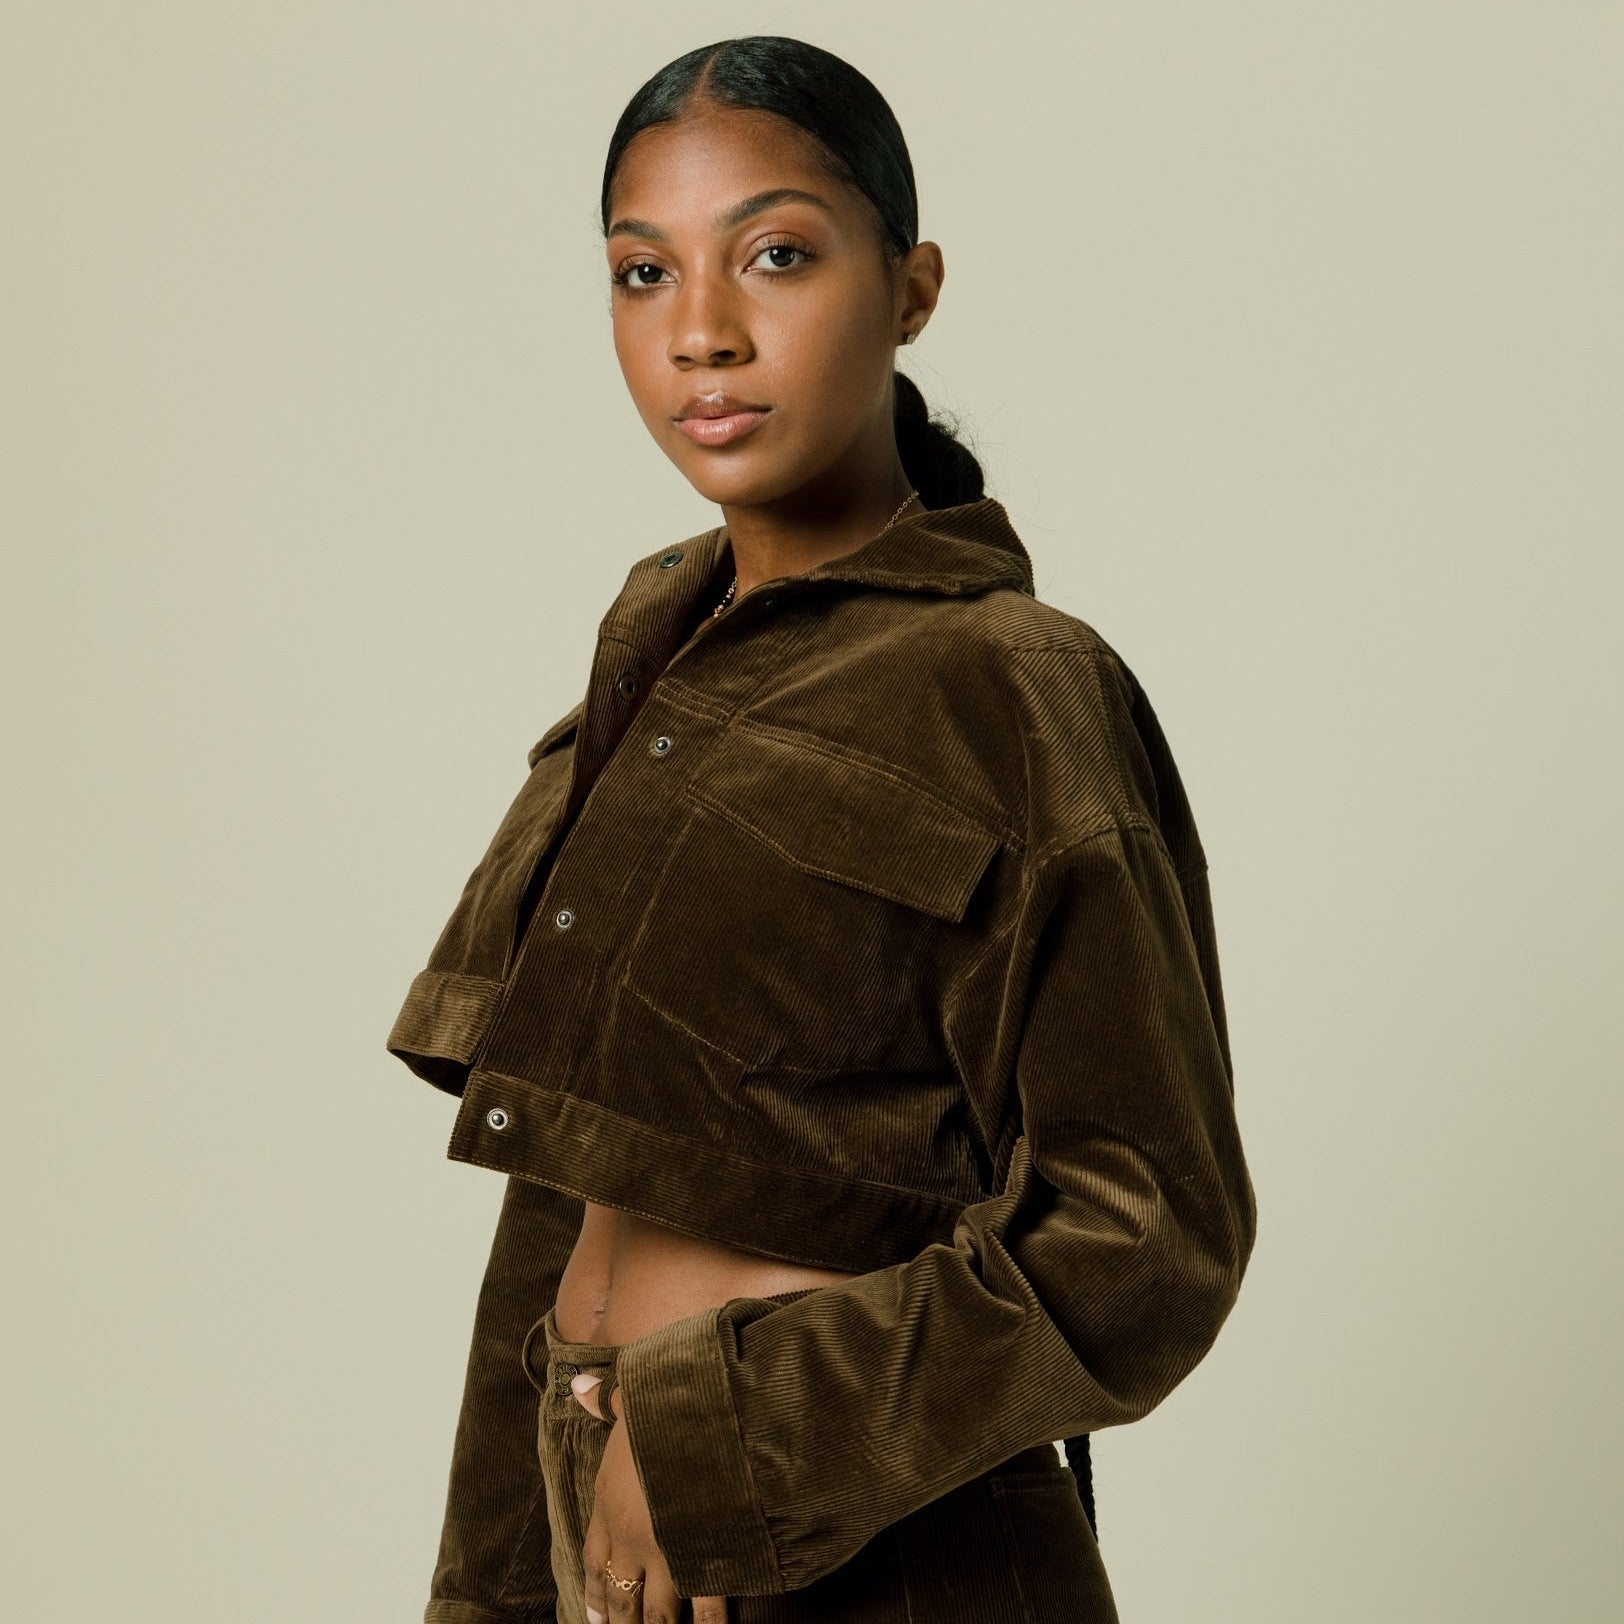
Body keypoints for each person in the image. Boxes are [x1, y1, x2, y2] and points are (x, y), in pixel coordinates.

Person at [387, 34, 1258, 1624]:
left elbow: (1150, 1234)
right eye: (643, 275)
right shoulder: (650, 652)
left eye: (776, 256)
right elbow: (565, 1181)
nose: (703, 333)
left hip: (884, 1563)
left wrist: (735, 1436)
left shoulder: (1019, 685)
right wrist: (492, 1591)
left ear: (912, 286)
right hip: (608, 1541)